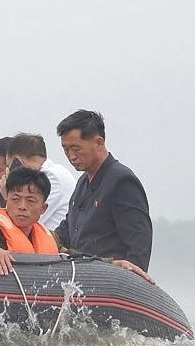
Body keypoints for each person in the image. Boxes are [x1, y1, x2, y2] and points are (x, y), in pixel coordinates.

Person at [0, 167, 152, 282]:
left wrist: (114, 264)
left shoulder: (48, 237)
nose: (22, 206)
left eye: (31, 201)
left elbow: (73, 257)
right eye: (15, 199)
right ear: (6, 201)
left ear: (43, 209)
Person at [53, 110, 153, 271]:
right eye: (66, 150)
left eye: (76, 149)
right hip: (80, 279)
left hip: (110, 282)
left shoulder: (122, 181)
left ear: (99, 143)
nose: (71, 156)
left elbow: (139, 244)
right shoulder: (82, 183)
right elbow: (65, 232)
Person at [1, 133, 76, 229]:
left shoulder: (52, 177)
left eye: (9, 166)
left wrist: (7, 195)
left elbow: (21, 222)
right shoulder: (56, 172)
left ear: (17, 162)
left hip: (52, 241)